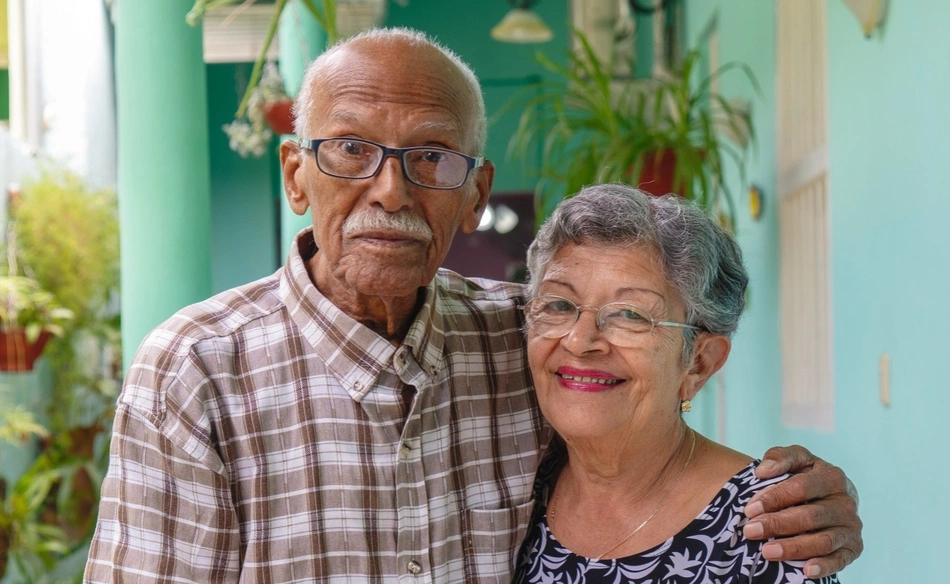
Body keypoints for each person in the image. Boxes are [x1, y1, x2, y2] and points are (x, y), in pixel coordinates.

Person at [85, 28, 861, 583]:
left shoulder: (528, 337)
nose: (391, 191)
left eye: (431, 157)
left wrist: (811, 497)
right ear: (296, 175)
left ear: (473, 196)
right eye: (351, 149)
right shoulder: (195, 372)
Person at [514, 183, 842, 583]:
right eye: (559, 305)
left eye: (630, 315)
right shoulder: (519, 484)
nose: (580, 341)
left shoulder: (768, 528)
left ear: (699, 363)